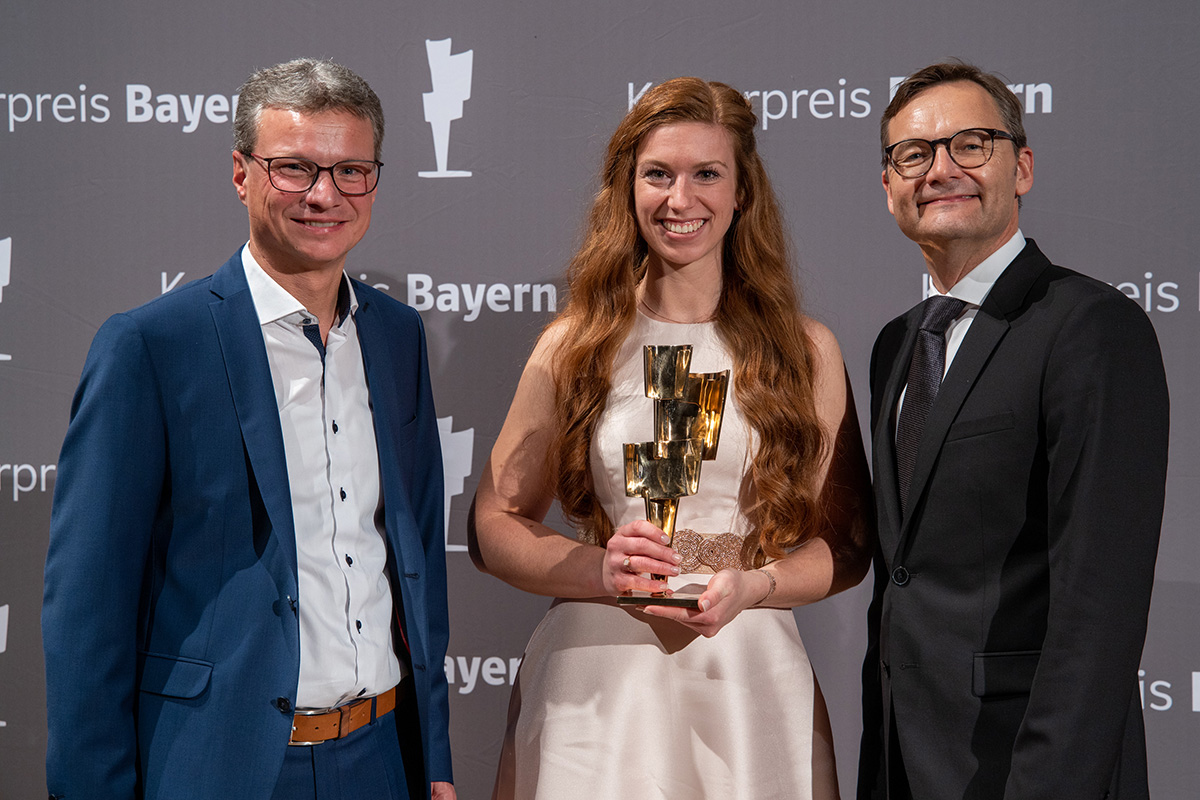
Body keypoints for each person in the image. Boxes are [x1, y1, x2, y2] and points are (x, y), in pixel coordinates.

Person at [43, 58, 455, 800]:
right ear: (242, 174)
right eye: (294, 168)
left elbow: (417, 556)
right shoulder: (151, 345)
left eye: (350, 170)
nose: (324, 194)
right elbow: (88, 607)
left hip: (381, 759)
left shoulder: (396, 336)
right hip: (219, 766)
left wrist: (434, 761)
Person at [468, 77, 874, 799]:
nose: (679, 199)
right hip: (597, 677)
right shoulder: (575, 346)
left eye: (706, 174)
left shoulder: (805, 350)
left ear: (742, 191)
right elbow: (494, 523)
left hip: (746, 669)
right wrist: (599, 571)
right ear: (627, 189)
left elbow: (842, 547)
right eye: (657, 174)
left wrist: (757, 585)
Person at [857, 62, 1169, 800]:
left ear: (1021, 167)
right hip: (907, 762)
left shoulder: (1091, 327)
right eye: (913, 154)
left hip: (1030, 768)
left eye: (971, 145)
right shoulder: (893, 345)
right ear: (889, 187)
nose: (940, 170)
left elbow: (1099, 607)